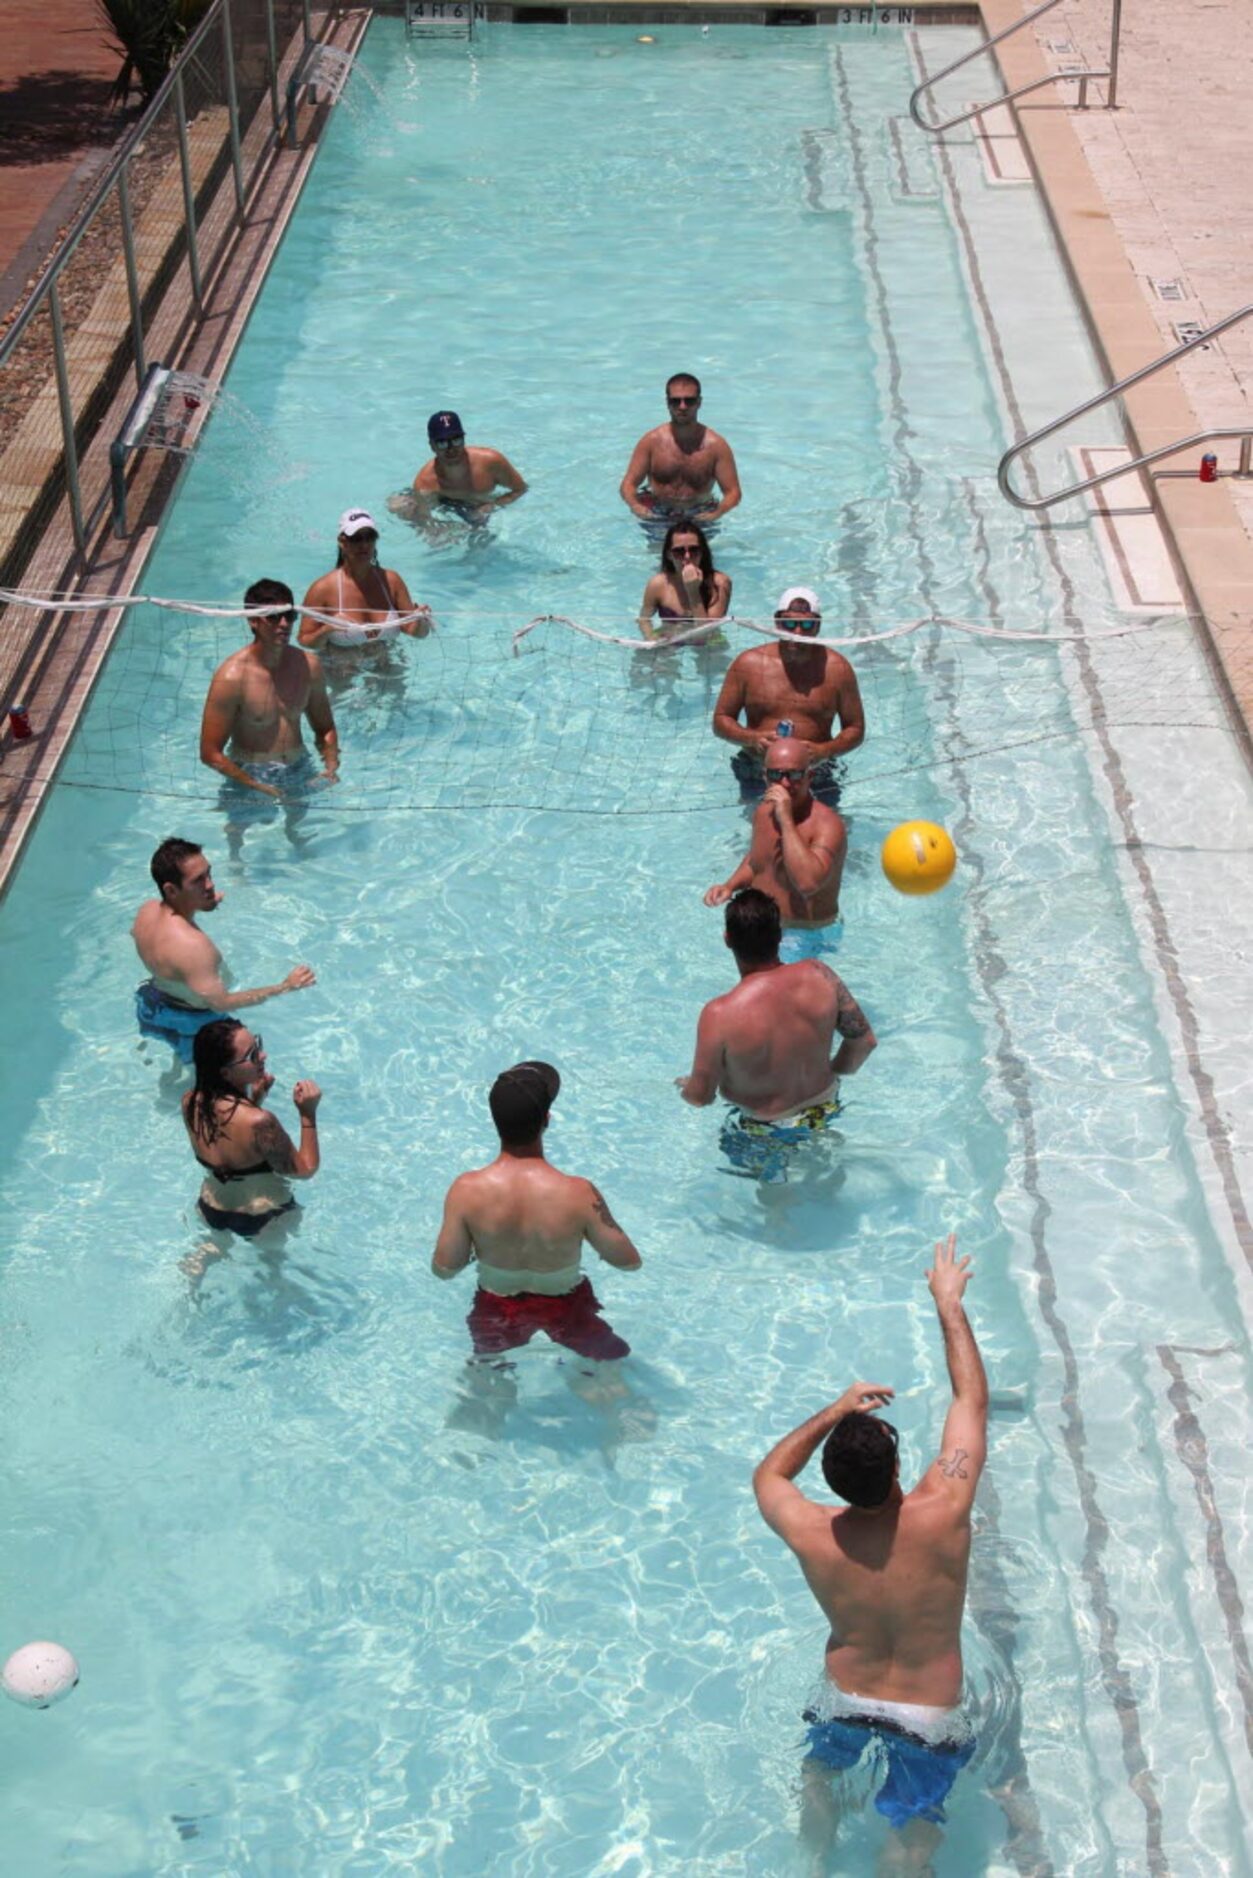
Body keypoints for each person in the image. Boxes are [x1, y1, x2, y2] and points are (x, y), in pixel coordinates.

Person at [753, 1235, 987, 1873]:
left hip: (845, 1700)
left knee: (818, 1786)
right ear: (896, 1467)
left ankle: (814, 1860)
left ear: (831, 1481)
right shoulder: (944, 1508)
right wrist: (947, 1304)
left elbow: (770, 1475)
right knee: (910, 1833)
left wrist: (835, 1408)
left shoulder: (811, 1530)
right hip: (928, 1714)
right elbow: (971, 1402)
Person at [432, 1061, 641, 1362]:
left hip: (497, 1305)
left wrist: (479, 1249)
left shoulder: (466, 1191)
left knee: (487, 1384)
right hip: (566, 1302)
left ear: (494, 1121)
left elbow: (444, 1269)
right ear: (547, 1118)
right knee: (608, 1377)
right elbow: (628, 1263)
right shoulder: (579, 1193)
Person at [678, 888, 875, 1178]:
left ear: (727, 940)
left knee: (775, 1212)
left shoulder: (719, 1014)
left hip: (763, 1131)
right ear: (780, 935)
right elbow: (864, 1042)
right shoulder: (819, 975)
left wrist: (686, 1085)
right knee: (827, 1185)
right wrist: (830, 1071)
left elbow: (700, 1098)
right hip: (824, 1109)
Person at [132, 837, 315, 1062]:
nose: (210, 885)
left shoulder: (147, 912)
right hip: (193, 1024)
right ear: (171, 890)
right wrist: (284, 987)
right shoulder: (193, 948)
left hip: (152, 1004)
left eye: (208, 874)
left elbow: (166, 934)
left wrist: (199, 902)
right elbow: (221, 1002)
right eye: (198, 881)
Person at [712, 587, 864, 804]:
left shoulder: (837, 669)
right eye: (790, 624)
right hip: (758, 768)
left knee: (825, 832)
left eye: (807, 625)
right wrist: (752, 738)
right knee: (761, 830)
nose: (798, 633)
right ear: (776, 622)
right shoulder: (748, 664)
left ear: (818, 625)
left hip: (816, 771)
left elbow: (856, 729)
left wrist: (824, 750)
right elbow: (720, 721)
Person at [199, 579, 338, 798]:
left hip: (298, 765)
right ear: (253, 621)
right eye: (273, 617)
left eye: (289, 616)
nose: (284, 624)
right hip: (249, 773)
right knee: (237, 830)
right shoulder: (232, 676)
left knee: (302, 831)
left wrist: (330, 766)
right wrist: (256, 785)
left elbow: (325, 727)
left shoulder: (308, 666)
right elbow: (210, 753)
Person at [183, 1019, 321, 1237]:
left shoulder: (190, 1102)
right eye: (252, 1055)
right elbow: (304, 1171)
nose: (262, 1056)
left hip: (211, 1206)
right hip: (262, 1217)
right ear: (226, 1073)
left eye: (258, 1045)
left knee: (214, 1247)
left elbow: (233, 1143)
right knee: (272, 1268)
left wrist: (254, 1100)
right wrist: (307, 1114)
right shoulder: (260, 1122)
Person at [704, 737, 847, 940]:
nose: (785, 783)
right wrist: (729, 886)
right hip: (765, 929)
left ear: (810, 776)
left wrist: (786, 819)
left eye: (795, 775)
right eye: (775, 775)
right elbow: (757, 862)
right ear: (765, 777)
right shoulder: (764, 813)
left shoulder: (828, 825)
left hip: (810, 934)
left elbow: (807, 884)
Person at [620, 374, 741, 529]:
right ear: (667, 403)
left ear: (699, 403)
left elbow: (733, 492)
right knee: (659, 553)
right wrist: (636, 506)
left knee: (702, 554)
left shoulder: (716, 446)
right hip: (658, 512)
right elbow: (628, 484)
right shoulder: (651, 442)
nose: (682, 406)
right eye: (675, 401)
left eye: (689, 401)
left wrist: (717, 513)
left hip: (700, 512)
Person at [298, 509, 432, 650]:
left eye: (370, 537)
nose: (364, 545)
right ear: (342, 542)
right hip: (341, 668)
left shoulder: (392, 581)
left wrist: (421, 621)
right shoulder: (323, 588)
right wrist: (326, 630)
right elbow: (304, 639)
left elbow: (415, 632)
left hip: (386, 666)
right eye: (357, 538)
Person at [400, 411, 528, 529]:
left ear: (464, 439)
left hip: (477, 504)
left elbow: (521, 489)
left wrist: (493, 505)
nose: (451, 449)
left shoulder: (491, 462)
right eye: (442, 443)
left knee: (481, 536)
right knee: (399, 506)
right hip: (443, 501)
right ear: (432, 446)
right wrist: (444, 528)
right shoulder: (425, 482)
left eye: (456, 440)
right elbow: (426, 521)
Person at [638, 520, 732, 644]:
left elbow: (704, 637)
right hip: (669, 636)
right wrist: (651, 638)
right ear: (668, 555)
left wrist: (693, 592)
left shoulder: (720, 583)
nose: (687, 557)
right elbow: (643, 619)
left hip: (709, 643)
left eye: (694, 550)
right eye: (679, 552)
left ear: (702, 552)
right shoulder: (658, 584)